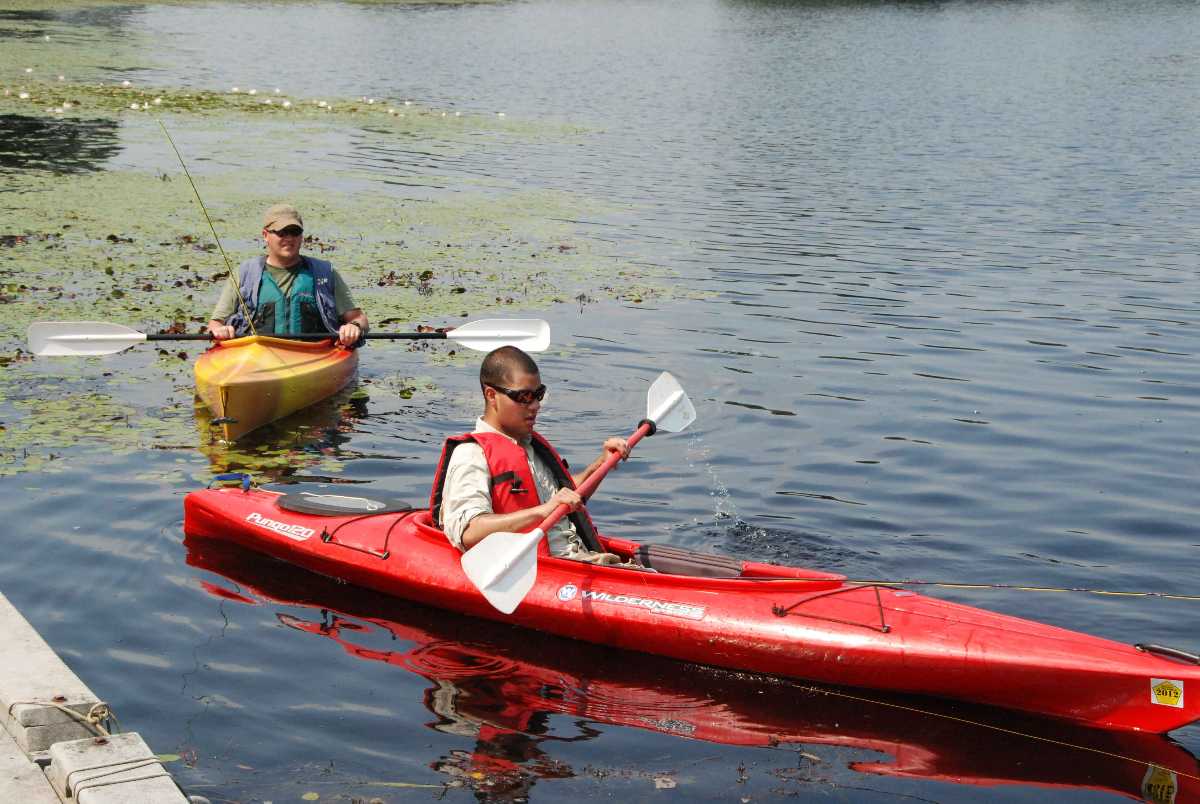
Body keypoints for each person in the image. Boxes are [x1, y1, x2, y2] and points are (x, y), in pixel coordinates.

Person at [431, 346, 630, 563]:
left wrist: (602, 463)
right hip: (542, 568)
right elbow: (469, 532)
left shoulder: (528, 445)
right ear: (491, 395)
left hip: (580, 559)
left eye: (539, 395)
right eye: (524, 396)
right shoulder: (471, 454)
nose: (535, 405)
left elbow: (566, 498)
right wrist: (544, 511)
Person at [206, 203, 368, 348]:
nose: (289, 238)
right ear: (265, 235)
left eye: (295, 232)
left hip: (315, 355)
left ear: (302, 236)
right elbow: (214, 324)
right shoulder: (243, 274)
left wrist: (354, 326)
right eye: (282, 233)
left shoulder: (325, 273)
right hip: (255, 356)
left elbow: (359, 318)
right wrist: (220, 331)